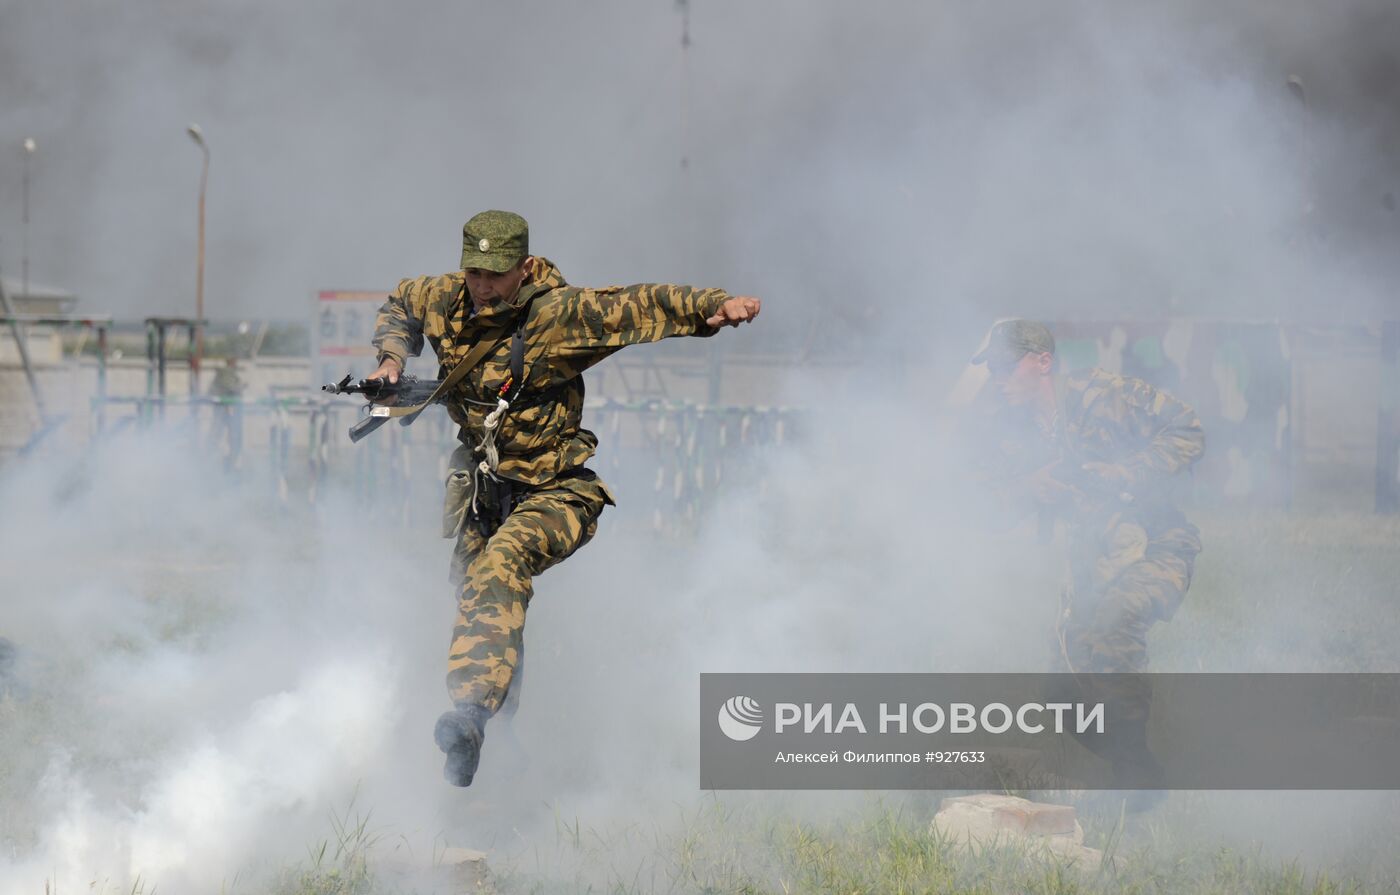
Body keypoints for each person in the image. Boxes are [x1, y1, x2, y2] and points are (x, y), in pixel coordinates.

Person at [368, 210, 761, 786]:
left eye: (497, 275)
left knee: (499, 570)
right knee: (486, 605)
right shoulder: (443, 297)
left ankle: (470, 714)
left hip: (556, 492)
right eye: (474, 272)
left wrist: (715, 305)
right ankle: (502, 748)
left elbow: (639, 304)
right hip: (485, 491)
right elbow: (401, 303)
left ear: (524, 268)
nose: (483, 287)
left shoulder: (557, 316)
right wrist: (392, 359)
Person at [966, 319, 1204, 806]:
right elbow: (980, 504)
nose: (998, 379)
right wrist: (1030, 488)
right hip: (1094, 564)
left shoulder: (1103, 395)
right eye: (992, 370)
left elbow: (1187, 430)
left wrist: (1127, 470)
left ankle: (1138, 785)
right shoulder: (1007, 428)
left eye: (1006, 368)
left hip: (1159, 545)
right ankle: (1141, 767)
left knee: (1115, 627)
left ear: (1043, 363)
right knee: (1063, 693)